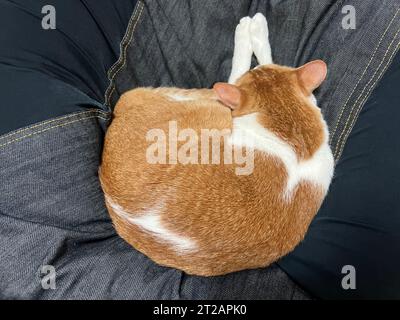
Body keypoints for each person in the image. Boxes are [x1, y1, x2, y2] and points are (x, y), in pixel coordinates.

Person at [0, 0, 399, 299]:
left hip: (146, 176)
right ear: (308, 89)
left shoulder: (296, 163)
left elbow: (239, 108)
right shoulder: (318, 171)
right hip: (168, 209)